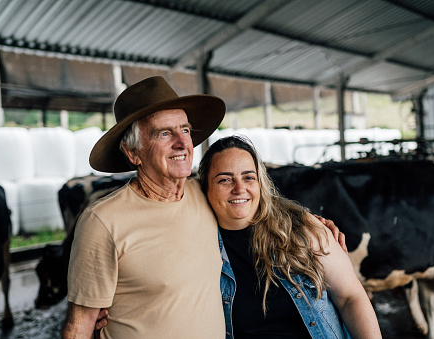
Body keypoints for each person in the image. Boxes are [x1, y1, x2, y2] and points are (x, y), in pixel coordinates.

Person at [64, 76, 345, 339]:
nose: (182, 143)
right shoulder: (103, 221)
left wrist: (307, 220)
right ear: (132, 152)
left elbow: (252, 197)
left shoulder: (203, 192)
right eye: (164, 134)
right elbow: (80, 326)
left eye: (185, 130)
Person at [197, 135, 382, 339]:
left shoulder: (301, 228)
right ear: (204, 188)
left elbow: (350, 298)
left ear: (260, 183)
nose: (239, 188)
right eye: (225, 179)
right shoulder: (197, 243)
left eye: (249, 177)